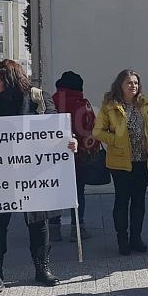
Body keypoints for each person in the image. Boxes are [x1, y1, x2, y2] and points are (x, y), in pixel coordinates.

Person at [0, 60, 77, 294]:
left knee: (38, 221)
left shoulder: (38, 98)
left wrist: (69, 142)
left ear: (6, 77)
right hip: (1, 173)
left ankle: (42, 270)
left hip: (34, 173)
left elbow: (56, 131)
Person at [93, 69, 148, 255]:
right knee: (122, 201)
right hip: (120, 163)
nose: (133, 86)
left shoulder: (145, 104)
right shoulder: (110, 106)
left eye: (136, 83)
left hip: (142, 161)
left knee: (139, 202)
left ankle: (136, 238)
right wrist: (117, 141)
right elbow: (98, 131)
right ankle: (122, 239)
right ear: (120, 85)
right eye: (129, 83)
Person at [48, 71, 99, 242]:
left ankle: (54, 230)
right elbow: (92, 130)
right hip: (78, 158)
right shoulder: (83, 105)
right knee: (78, 193)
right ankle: (77, 229)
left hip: (53, 158)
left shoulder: (51, 102)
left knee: (56, 193)